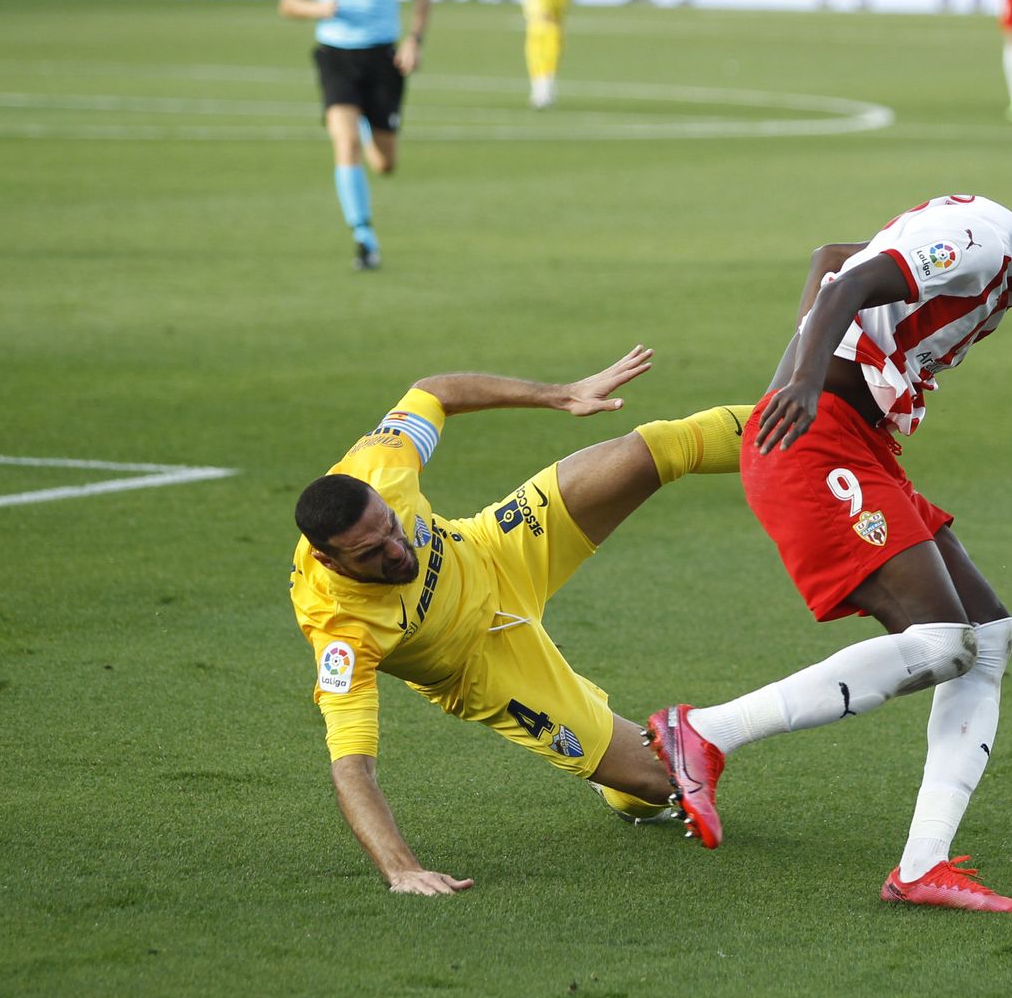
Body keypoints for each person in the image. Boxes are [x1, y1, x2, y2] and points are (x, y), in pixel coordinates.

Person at [645, 189, 1012, 912]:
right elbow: (849, 285)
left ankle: (922, 865)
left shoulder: (1001, 268)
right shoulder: (983, 243)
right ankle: (701, 733)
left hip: (861, 447)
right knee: (945, 642)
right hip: (816, 443)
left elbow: (832, 258)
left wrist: (807, 368)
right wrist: (804, 381)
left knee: (989, 636)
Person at [289, 345, 752, 895]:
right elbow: (351, 768)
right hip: (484, 668)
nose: (399, 549)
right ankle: (619, 788)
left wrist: (560, 395)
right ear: (328, 558)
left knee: (656, 447)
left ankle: (836, 438)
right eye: (373, 553)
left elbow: (435, 390)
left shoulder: (378, 467)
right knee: (662, 780)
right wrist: (401, 869)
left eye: (393, 526)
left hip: (493, 548)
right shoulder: (339, 630)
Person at [280, 0, 429, 270]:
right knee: (343, 144)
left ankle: (368, 124)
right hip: (336, 55)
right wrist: (318, 9)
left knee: (384, 164)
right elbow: (289, 3)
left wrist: (414, 40)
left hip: (382, 58)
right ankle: (364, 237)